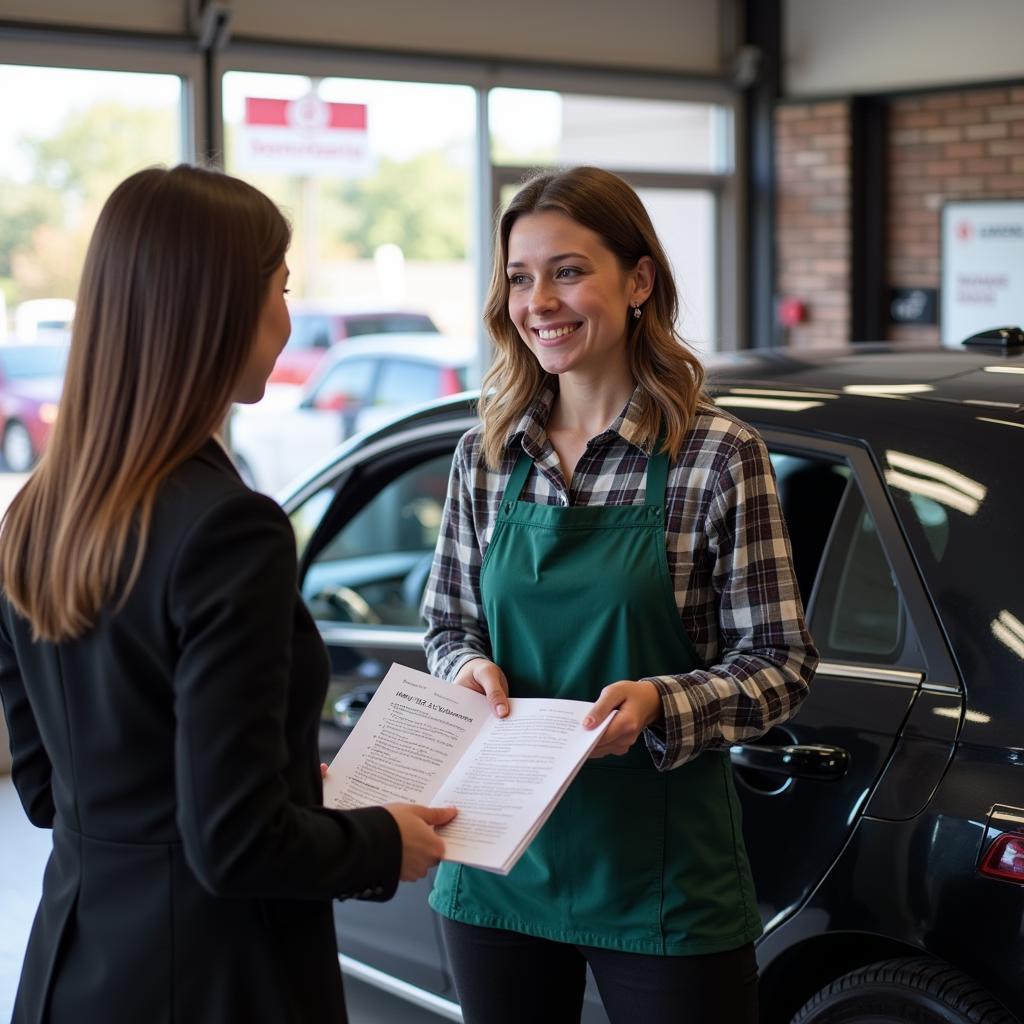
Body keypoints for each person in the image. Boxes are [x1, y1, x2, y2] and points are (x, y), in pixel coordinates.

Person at [0, 164, 455, 1024]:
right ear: (220, 307)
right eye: (282, 289)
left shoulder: (33, 514)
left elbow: (49, 789)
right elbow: (234, 842)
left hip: (74, 968)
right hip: (214, 979)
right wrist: (383, 839)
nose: (288, 320)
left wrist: (287, 788)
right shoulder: (228, 529)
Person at [422, 166, 818, 1024]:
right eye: (521, 278)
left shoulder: (717, 456)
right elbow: (448, 623)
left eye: (568, 271)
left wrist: (658, 704)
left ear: (638, 281)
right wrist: (465, 668)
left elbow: (781, 665)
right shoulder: (486, 457)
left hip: (663, 880)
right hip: (493, 864)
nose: (540, 302)